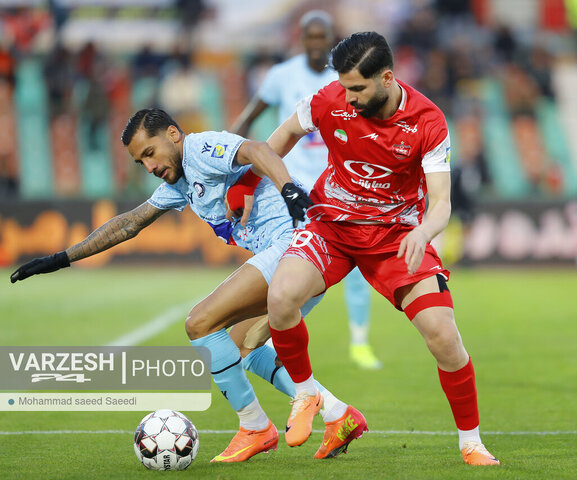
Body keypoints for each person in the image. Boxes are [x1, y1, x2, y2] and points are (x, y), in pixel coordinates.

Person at [9, 108, 367, 462]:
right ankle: (338, 415)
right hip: (293, 252)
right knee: (242, 346)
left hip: (296, 244)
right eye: (140, 162)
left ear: (173, 135)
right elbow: (129, 223)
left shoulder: (202, 149)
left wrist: (287, 189)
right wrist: (61, 258)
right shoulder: (178, 181)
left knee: (199, 323)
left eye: (149, 153)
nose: (149, 167)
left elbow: (259, 150)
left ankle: (255, 427)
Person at [256, 32, 500, 466]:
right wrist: (257, 184)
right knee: (280, 298)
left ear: (387, 78)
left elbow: (442, 201)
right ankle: (308, 395)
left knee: (444, 336)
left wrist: (423, 233)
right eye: (344, 87)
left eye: (358, 89)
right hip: (332, 224)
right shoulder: (329, 99)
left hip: (395, 238)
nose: (347, 98)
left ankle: (471, 442)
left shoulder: (428, 121)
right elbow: (283, 134)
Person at [231, 10, 381, 370]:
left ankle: (359, 341)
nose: (316, 44)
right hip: (292, 185)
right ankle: (267, 331)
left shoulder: (346, 77)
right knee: (291, 260)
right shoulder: (282, 75)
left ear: (332, 39)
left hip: (338, 184)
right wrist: (235, 163)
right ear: (301, 39)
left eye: (322, 37)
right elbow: (251, 115)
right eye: (310, 37)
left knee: (356, 267)